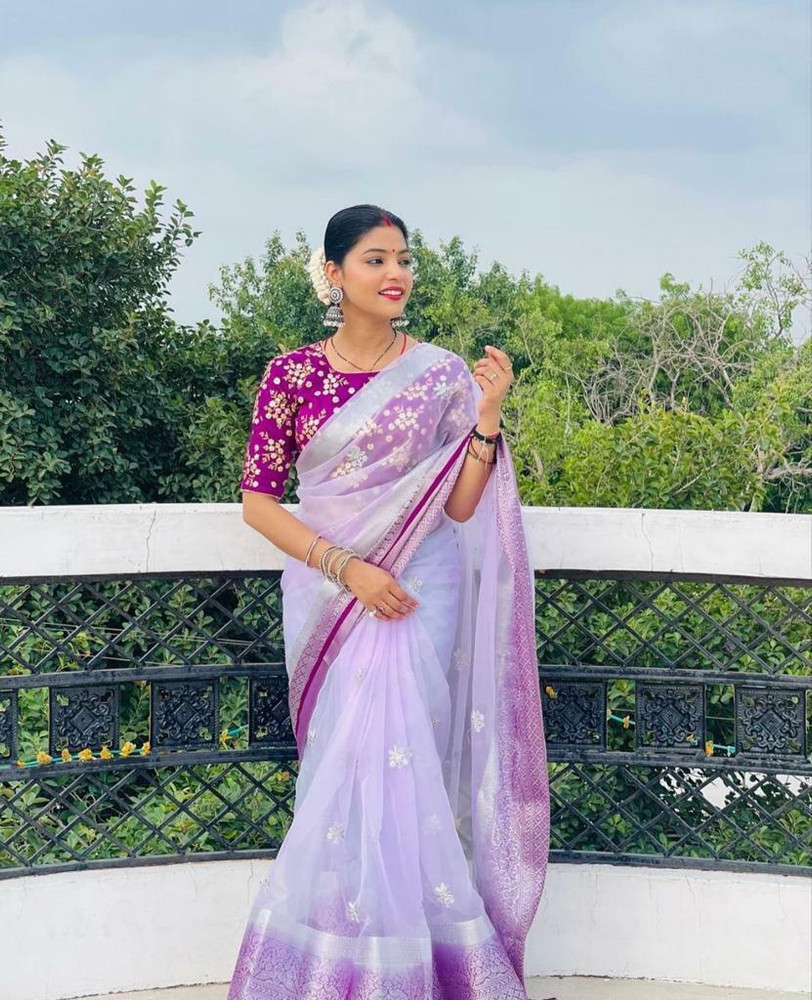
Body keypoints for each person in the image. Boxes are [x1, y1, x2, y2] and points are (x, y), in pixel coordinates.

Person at [227, 204, 552, 1000]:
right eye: (375, 259)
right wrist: (349, 570)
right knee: (344, 769)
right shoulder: (291, 375)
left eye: (403, 258)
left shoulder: (440, 374)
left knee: (407, 771)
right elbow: (258, 503)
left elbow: (461, 506)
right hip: (333, 596)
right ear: (333, 274)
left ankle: (419, 969)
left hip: (418, 591)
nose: (396, 273)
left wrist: (487, 418)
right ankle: (337, 965)